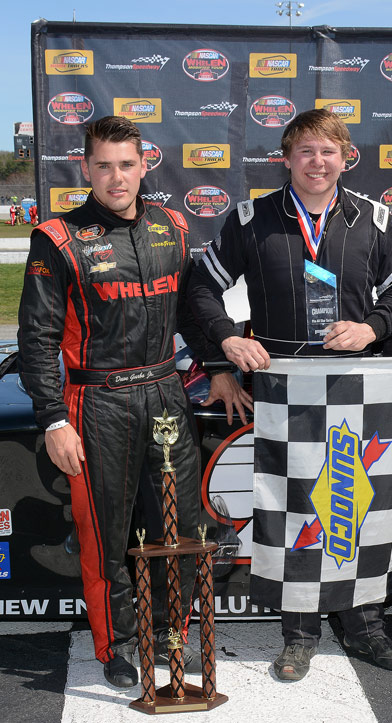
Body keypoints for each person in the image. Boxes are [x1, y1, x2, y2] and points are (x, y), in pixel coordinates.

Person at [187, 109, 392, 681]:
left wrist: (370, 328)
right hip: (284, 390)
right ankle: (299, 634)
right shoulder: (252, 219)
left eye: (328, 151)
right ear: (286, 159)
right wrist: (224, 347)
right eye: (306, 151)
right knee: (295, 508)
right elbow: (200, 289)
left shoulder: (375, 219)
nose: (318, 162)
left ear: (346, 158)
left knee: (358, 503)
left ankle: (365, 626)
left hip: (359, 387)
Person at [17, 116, 217, 689]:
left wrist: (220, 367)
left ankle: (173, 636)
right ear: (86, 168)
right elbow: (37, 339)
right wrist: (53, 419)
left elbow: (191, 311)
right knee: (106, 538)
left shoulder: (173, 226)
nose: (116, 177)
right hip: (96, 402)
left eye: (126, 164)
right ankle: (117, 645)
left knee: (179, 529)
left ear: (144, 165)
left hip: (165, 396)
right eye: (103, 165)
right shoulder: (57, 238)